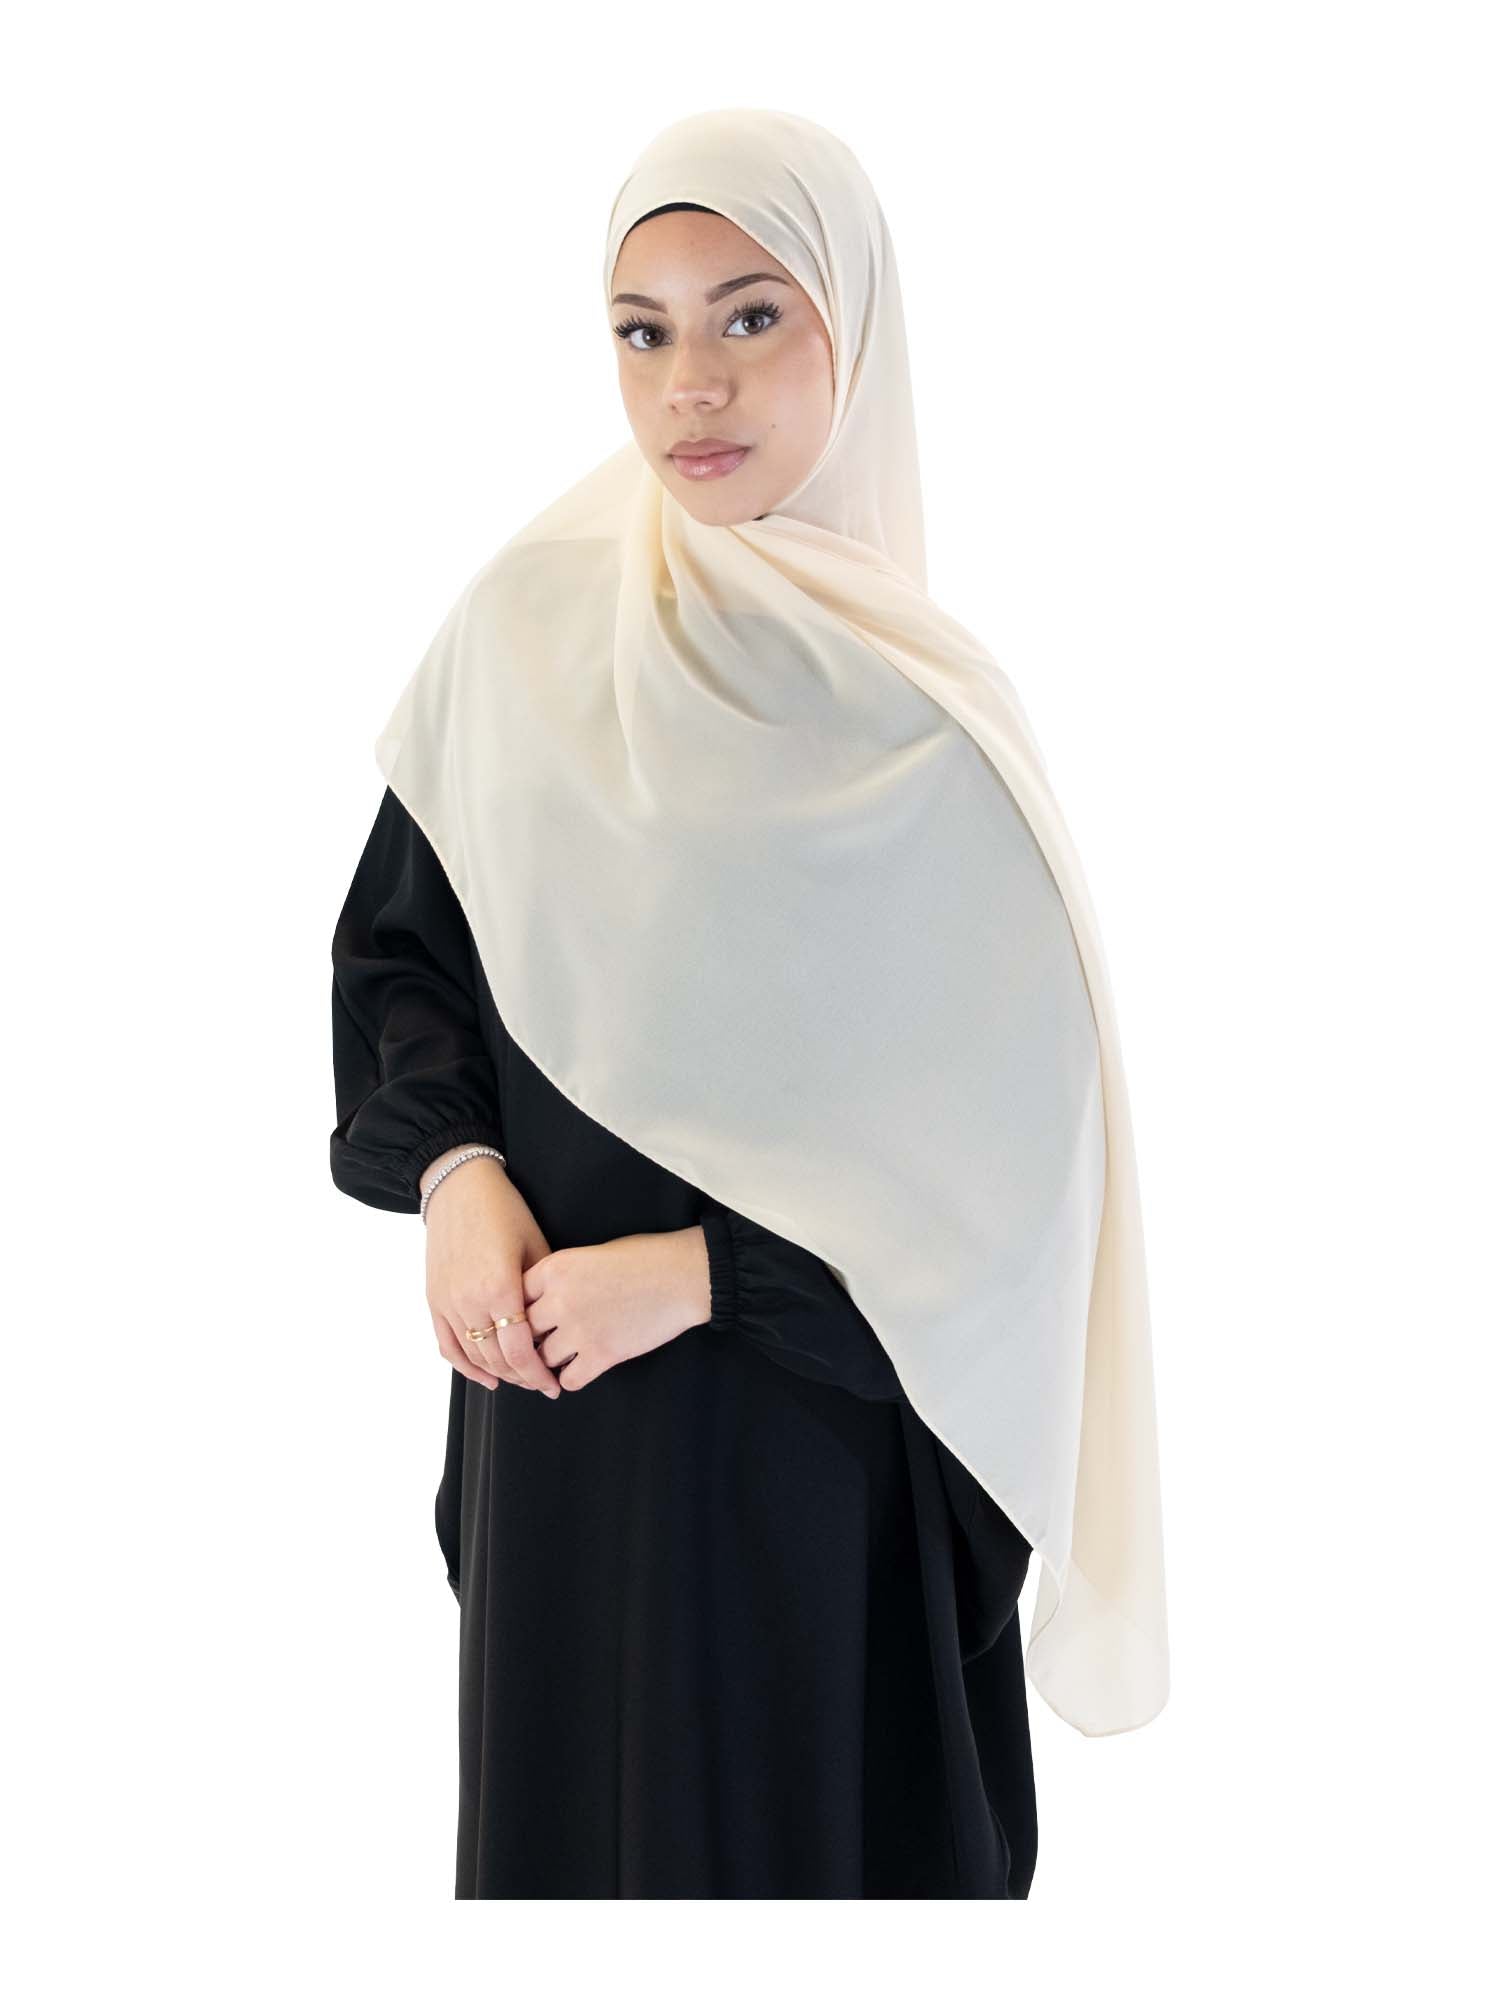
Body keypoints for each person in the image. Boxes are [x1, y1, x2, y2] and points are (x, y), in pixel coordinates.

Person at [329, 107, 1168, 1901]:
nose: (690, 386)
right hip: (563, 1434)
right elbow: (406, 953)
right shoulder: (523, 636)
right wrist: (458, 1177)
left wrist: (703, 1276)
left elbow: (1014, 1198)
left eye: (753, 317)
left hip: (812, 1469)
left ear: (855, 333)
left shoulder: (929, 727)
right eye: (643, 331)